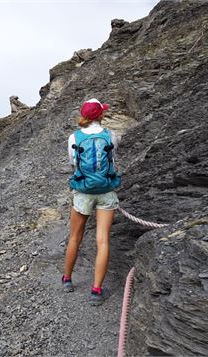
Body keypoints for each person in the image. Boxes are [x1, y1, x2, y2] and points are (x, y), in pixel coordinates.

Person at [62, 98, 120, 306]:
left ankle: (67, 279)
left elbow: (73, 162)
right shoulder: (111, 135)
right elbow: (113, 158)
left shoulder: (73, 137)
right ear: (100, 115)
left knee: (75, 237)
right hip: (106, 191)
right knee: (102, 240)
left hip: (83, 191)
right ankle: (96, 291)